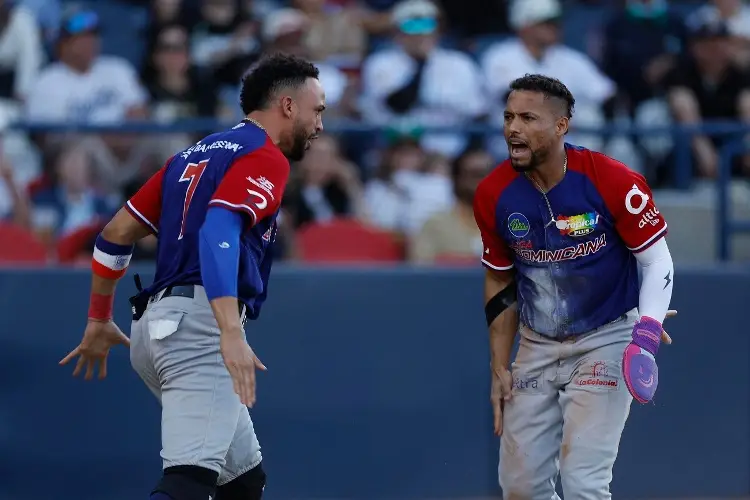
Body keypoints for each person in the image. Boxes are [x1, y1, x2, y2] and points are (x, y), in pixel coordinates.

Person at [59, 53, 326, 500]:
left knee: (242, 481)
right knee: (187, 483)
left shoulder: (190, 155)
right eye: (317, 110)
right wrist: (229, 331)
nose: (320, 124)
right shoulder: (266, 156)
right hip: (200, 329)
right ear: (287, 105)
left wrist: (99, 317)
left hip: (155, 328)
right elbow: (219, 228)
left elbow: (114, 236)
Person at [472, 73, 676, 499]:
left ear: (561, 125)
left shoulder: (612, 179)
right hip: (537, 344)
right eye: (508, 117)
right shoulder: (493, 193)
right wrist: (499, 367)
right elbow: (500, 277)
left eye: (528, 118)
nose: (513, 128)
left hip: (607, 338)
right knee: (520, 488)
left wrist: (647, 331)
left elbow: (657, 259)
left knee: (584, 482)